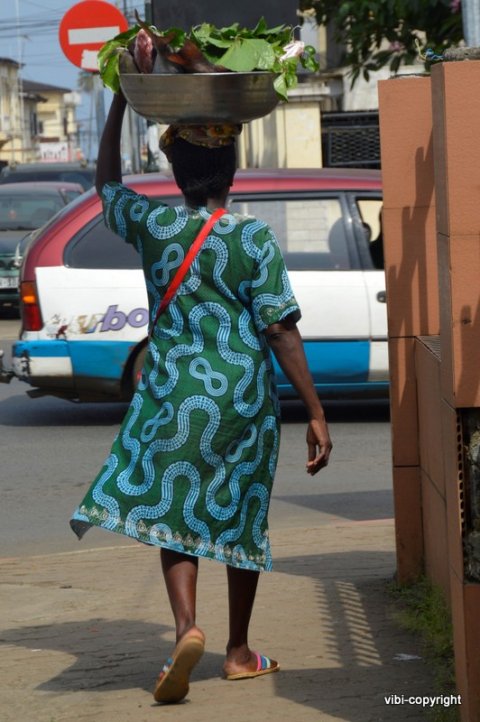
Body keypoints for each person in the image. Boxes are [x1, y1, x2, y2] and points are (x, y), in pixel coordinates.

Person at [70, 91, 332, 704]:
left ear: (175, 172)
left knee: (174, 506)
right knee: (241, 511)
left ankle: (187, 626)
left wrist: (119, 103)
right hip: (242, 396)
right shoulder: (254, 239)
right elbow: (279, 330)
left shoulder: (154, 226)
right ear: (231, 172)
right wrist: (317, 412)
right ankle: (238, 652)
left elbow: (106, 185)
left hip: (171, 391)